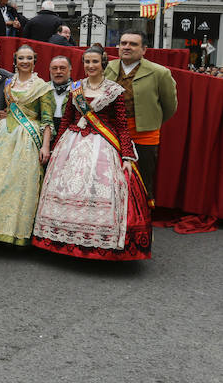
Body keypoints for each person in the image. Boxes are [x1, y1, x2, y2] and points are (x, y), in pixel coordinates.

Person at [32, 45, 152, 260]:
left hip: (103, 147)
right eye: (87, 62)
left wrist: (126, 155)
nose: (90, 66)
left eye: (95, 62)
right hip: (72, 143)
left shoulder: (114, 90)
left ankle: (97, 244)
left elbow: (122, 126)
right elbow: (67, 120)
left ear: (103, 63)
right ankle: (62, 239)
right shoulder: (76, 88)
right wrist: (56, 149)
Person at [0, 45, 55, 246]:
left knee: (20, 186)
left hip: (27, 139)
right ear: (15, 61)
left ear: (35, 61)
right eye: (21, 58)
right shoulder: (9, 82)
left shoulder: (42, 86)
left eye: (29, 58)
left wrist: (45, 146)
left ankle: (16, 232)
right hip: (3, 134)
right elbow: (5, 107)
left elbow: (47, 119)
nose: (25, 61)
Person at [104, 30, 178, 200]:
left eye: (133, 44)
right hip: (112, 132)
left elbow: (169, 106)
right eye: (123, 43)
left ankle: (141, 220)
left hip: (144, 135)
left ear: (144, 49)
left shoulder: (160, 73)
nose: (127, 47)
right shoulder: (108, 68)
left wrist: (149, 122)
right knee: (110, 176)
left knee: (142, 179)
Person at [48, 55, 73, 133]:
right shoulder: (42, 89)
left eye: (62, 68)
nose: (58, 71)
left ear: (70, 69)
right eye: (54, 68)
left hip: (69, 134)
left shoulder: (78, 90)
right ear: (49, 70)